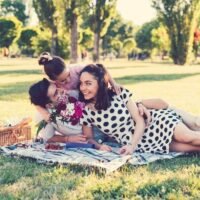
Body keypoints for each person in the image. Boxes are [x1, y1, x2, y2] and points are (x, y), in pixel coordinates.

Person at [79, 64, 200, 155]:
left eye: (88, 83)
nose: (83, 88)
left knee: (188, 137)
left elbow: (140, 120)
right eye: (81, 83)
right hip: (144, 144)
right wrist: (99, 146)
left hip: (155, 124)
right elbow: (89, 138)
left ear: (100, 83)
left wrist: (131, 146)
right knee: (194, 148)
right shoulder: (86, 111)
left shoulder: (118, 94)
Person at [35, 52, 121, 123]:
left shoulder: (76, 69)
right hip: (80, 103)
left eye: (68, 75)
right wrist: (45, 114)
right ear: (53, 80)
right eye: (62, 81)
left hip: (94, 95)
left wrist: (113, 83)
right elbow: (36, 98)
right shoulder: (52, 84)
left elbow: (100, 68)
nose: (68, 80)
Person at [29, 78, 87, 143]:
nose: (62, 90)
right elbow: (49, 137)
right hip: (83, 142)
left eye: (57, 87)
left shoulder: (74, 94)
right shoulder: (43, 116)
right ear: (49, 105)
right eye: (56, 93)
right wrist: (68, 139)